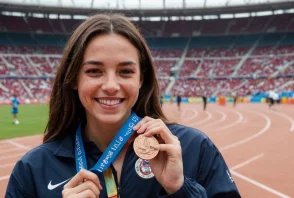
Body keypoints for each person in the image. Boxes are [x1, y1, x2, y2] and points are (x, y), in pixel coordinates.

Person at [6, 14, 241, 198]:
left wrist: (180, 190)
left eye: (125, 71)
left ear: (141, 79)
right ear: (74, 79)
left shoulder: (193, 148)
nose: (110, 85)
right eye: (94, 71)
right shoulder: (34, 169)